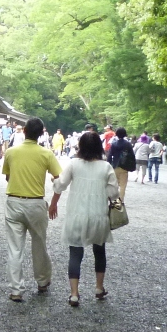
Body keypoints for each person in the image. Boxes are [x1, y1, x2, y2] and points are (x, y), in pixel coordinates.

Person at [49, 130, 119, 306]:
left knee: (75, 253)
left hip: (76, 215)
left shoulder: (74, 164)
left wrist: (54, 183)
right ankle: (99, 288)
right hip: (98, 215)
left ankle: (74, 294)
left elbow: (61, 185)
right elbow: (114, 193)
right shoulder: (106, 167)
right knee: (99, 251)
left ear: (80, 146)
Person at [1, 116, 63, 302]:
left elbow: (8, 177)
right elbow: (58, 178)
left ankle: (16, 289)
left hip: (14, 201)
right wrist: (54, 202)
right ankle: (42, 281)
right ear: (41, 134)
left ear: (25, 131)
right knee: (39, 244)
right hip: (36, 203)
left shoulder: (11, 152)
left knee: (15, 247)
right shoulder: (46, 154)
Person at [106, 127, 134, 200]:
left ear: (116, 134)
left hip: (115, 166)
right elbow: (132, 156)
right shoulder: (128, 144)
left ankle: (114, 199)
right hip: (124, 166)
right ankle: (121, 200)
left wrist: (108, 165)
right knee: (123, 185)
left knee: (115, 184)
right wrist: (132, 167)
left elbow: (109, 156)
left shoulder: (114, 144)